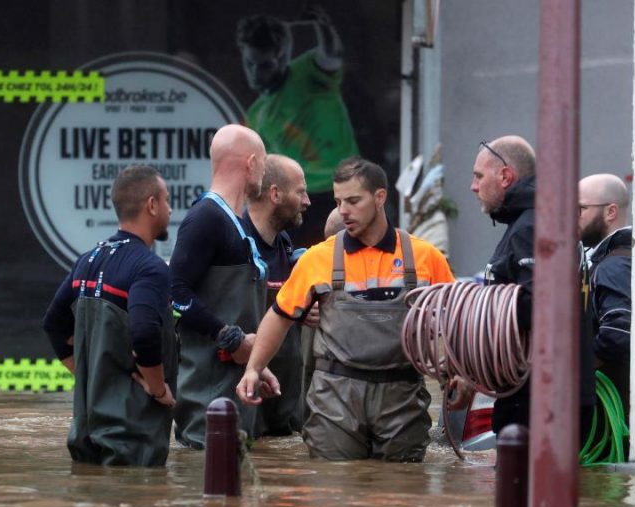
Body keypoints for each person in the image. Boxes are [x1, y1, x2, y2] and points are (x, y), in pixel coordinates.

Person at [238, 157, 456, 462]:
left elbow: (458, 321)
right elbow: (280, 316)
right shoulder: (318, 258)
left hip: (401, 396)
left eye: (353, 201)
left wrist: (461, 375)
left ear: (380, 198)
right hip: (336, 399)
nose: (343, 210)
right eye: (339, 201)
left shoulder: (425, 258)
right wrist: (254, 368)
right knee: (333, 491)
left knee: (402, 488)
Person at [452, 136, 594, 435]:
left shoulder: (532, 227)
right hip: (544, 392)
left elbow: (541, 305)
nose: (473, 186)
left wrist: (479, 305)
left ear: (505, 176)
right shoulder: (537, 222)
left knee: (521, 479)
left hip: (539, 397)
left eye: (479, 176)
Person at [41, 165, 176, 467]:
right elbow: (144, 334)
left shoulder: (86, 261)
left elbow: (53, 325)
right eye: (167, 200)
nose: (170, 208)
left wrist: (88, 378)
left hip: (85, 436)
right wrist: (157, 388)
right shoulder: (149, 268)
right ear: (151, 205)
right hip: (132, 440)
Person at [170, 124, 267, 449]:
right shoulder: (205, 218)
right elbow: (175, 294)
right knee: (207, 489)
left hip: (235, 394)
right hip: (207, 402)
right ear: (251, 163)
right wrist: (230, 337)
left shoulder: (234, 221)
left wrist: (256, 361)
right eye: (263, 166)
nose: (263, 177)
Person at [236, 8, 359, 246]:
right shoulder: (256, 113)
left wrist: (323, 26)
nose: (255, 72)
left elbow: (332, 56)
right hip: (297, 200)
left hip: (338, 189)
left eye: (264, 65)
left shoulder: (307, 73)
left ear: (282, 57)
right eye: (250, 63)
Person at [243, 154, 312, 435]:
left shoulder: (284, 242)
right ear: (275, 194)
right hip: (247, 400)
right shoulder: (235, 241)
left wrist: (306, 309)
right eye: (300, 191)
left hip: (284, 404)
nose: (308, 201)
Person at [578, 173, 632, 421]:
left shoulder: (613, 266)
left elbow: (618, 334)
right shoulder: (619, 258)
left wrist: (574, 371)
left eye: (580, 209)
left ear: (610, 212)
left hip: (613, 413)